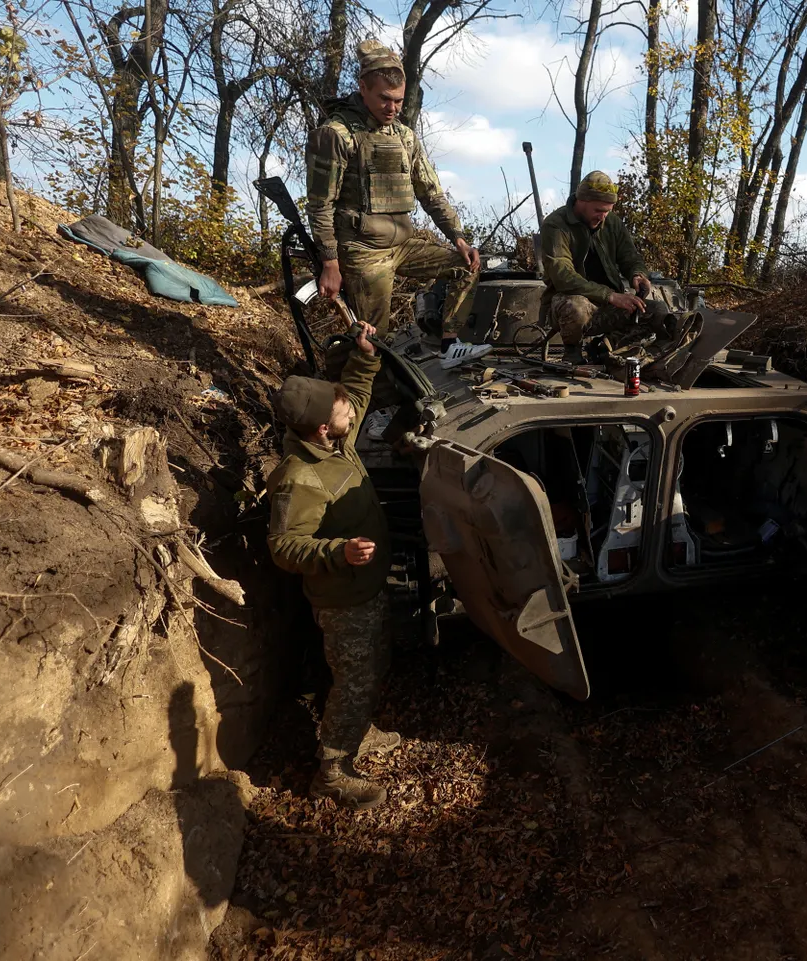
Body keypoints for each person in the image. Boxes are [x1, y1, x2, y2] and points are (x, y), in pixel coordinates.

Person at [267, 321, 401, 809]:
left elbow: (357, 402)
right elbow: (284, 546)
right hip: (343, 599)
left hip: (364, 584)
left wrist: (363, 357)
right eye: (342, 412)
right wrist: (337, 551)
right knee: (353, 681)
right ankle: (333, 771)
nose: (352, 414)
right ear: (324, 427)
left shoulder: (330, 440)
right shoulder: (300, 477)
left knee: (374, 665)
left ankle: (358, 733)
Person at [306, 39, 491, 370]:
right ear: (363, 88)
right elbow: (320, 206)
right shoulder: (336, 134)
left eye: (399, 101)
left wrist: (458, 238)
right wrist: (330, 263)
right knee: (377, 345)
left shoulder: (404, 136)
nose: (392, 108)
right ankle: (358, 410)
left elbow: (431, 192)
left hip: (403, 244)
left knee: (468, 266)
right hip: (363, 252)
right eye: (384, 99)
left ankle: (450, 345)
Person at [539, 170, 662, 364]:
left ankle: (606, 346)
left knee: (658, 311)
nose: (603, 216)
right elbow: (563, 277)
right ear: (582, 201)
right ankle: (572, 353)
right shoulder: (555, 225)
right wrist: (610, 296)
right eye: (598, 210)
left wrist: (637, 274)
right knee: (575, 306)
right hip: (570, 306)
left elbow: (630, 257)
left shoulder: (611, 222)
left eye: (608, 210)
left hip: (609, 305)